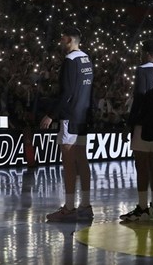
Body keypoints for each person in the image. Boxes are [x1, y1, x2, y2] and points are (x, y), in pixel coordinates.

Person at [41, 27, 95, 222]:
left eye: (62, 38)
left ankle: (69, 208)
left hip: (70, 116)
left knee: (69, 162)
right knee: (82, 159)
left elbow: (67, 92)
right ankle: (86, 205)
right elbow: (90, 91)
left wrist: (51, 115)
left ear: (70, 40)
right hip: (83, 117)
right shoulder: (87, 59)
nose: (60, 42)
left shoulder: (70, 61)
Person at [119, 40, 153, 221]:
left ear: (147, 53)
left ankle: (141, 208)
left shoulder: (142, 71)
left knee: (141, 165)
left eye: (141, 51)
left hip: (143, 124)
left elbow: (139, 98)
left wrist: (129, 124)